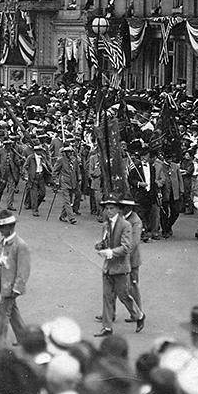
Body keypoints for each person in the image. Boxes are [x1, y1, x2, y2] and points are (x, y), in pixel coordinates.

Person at [93, 194, 145, 338]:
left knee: (124, 296)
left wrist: (110, 252)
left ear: (118, 209)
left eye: (111, 208)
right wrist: (100, 245)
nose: (108, 211)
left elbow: (127, 247)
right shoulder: (105, 225)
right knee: (107, 296)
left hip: (121, 267)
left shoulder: (126, 225)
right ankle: (107, 327)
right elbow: (106, 242)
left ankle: (139, 315)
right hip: (108, 267)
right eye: (106, 208)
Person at [0, 209, 31, 350]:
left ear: (10, 228)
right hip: (2, 285)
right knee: (12, 312)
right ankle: (24, 338)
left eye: (2, 227)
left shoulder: (20, 245)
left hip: (11, 287)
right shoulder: (3, 242)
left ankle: (0, 343)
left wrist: (17, 288)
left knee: (3, 313)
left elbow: (24, 270)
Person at [53, 145, 81, 224]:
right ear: (64, 153)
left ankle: (62, 216)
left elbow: (77, 170)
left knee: (69, 200)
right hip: (64, 182)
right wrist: (56, 181)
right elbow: (55, 171)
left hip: (73, 183)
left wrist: (79, 179)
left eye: (71, 152)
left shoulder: (74, 160)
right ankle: (71, 218)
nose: (70, 153)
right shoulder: (61, 160)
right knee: (67, 201)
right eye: (68, 152)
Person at [22, 144, 49, 217]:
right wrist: (26, 176)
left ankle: (35, 205)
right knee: (33, 195)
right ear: (35, 151)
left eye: (41, 150)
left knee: (43, 194)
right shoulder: (30, 158)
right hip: (33, 177)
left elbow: (48, 166)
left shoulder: (43, 157)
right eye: (39, 150)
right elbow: (25, 167)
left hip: (41, 176)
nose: (40, 152)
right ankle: (35, 209)